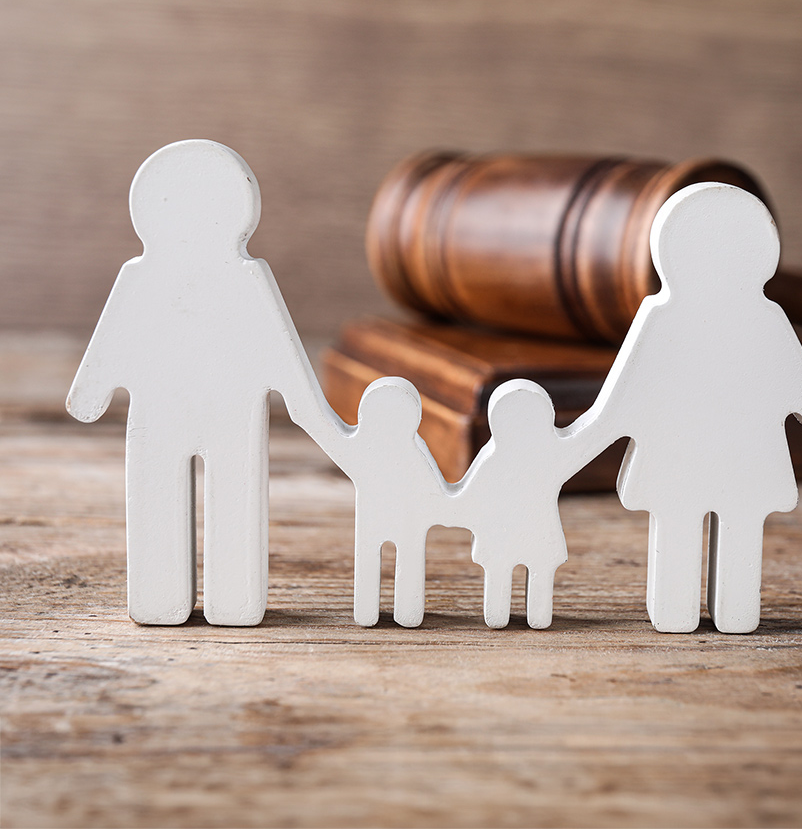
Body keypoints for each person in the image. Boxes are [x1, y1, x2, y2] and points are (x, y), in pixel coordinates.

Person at [67, 140, 344, 627]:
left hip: (207, 419)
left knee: (215, 500)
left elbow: (276, 351)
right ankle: (184, 597)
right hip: (187, 420)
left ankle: (205, 598)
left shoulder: (223, 278)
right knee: (183, 500)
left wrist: (91, 398)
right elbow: (284, 362)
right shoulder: (157, 278)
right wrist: (313, 413)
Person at [585, 183, 802, 633]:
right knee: (706, 523)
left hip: (701, 457)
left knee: (703, 523)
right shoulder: (743, 317)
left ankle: (704, 611)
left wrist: (595, 433)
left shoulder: (746, 318)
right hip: (737, 457)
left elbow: (621, 402)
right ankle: (700, 610)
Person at [452, 379, 610, 629]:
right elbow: (587, 442)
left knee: (520, 572)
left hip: (518, 536)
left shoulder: (510, 458)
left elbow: (468, 495)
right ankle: (510, 614)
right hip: (519, 536)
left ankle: (522, 615)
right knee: (507, 572)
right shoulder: (511, 458)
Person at [311, 377, 450, 628]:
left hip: (397, 520)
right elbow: (434, 486)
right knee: (389, 558)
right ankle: (384, 610)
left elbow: (431, 486)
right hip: (387, 520)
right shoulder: (406, 451)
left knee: (394, 559)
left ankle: (397, 610)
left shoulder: (403, 451)